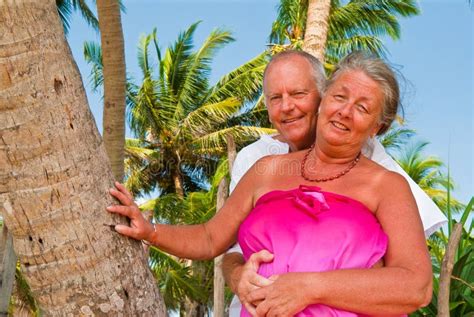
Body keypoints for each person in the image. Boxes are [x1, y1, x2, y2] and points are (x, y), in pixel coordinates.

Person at [107, 51, 433, 316]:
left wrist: (308, 288)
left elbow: (415, 287)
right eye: (339, 97)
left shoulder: (387, 185)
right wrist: (150, 231)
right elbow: (210, 237)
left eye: (362, 108)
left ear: (378, 126)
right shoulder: (266, 169)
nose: (345, 112)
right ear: (323, 102)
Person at [223, 50, 445, 316]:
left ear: (320, 96)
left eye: (298, 94)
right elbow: (230, 248)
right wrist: (237, 276)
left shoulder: (377, 170)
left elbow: (408, 280)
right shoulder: (255, 158)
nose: (287, 107)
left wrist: (308, 287)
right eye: (275, 98)